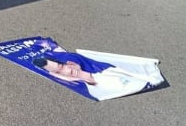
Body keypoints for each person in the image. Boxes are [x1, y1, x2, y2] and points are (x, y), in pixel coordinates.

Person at [32, 51, 164, 101]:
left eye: (62, 67)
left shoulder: (71, 60)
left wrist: (74, 63)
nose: (67, 71)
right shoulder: (92, 85)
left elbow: (70, 57)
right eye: (59, 72)